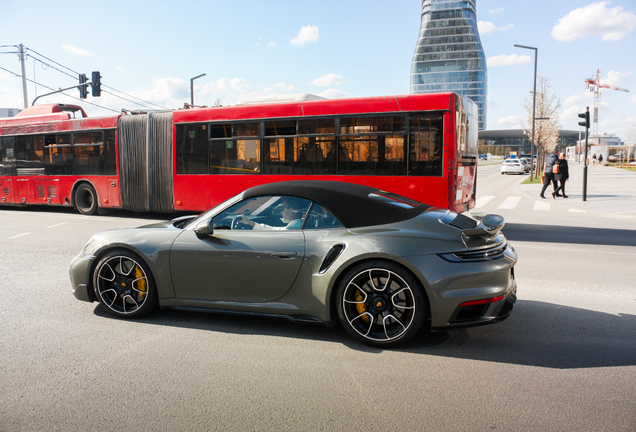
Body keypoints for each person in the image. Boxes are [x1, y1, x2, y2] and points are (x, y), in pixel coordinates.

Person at [238, 199, 305, 230]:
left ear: (290, 211)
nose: (281, 212)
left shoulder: (293, 228)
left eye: (282, 209)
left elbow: (274, 231)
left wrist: (250, 222)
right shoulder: (300, 224)